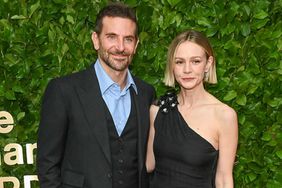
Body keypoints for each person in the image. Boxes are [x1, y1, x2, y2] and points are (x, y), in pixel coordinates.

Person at [37, 2, 156, 188]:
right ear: (96, 39)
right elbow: (47, 165)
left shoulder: (146, 93)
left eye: (128, 39)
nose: (120, 47)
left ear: (136, 45)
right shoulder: (63, 91)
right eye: (111, 37)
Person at [146, 30, 238, 188]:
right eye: (179, 62)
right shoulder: (158, 110)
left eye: (195, 61)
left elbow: (223, 179)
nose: (187, 69)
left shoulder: (224, 116)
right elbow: (148, 164)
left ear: (208, 64)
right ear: (172, 66)